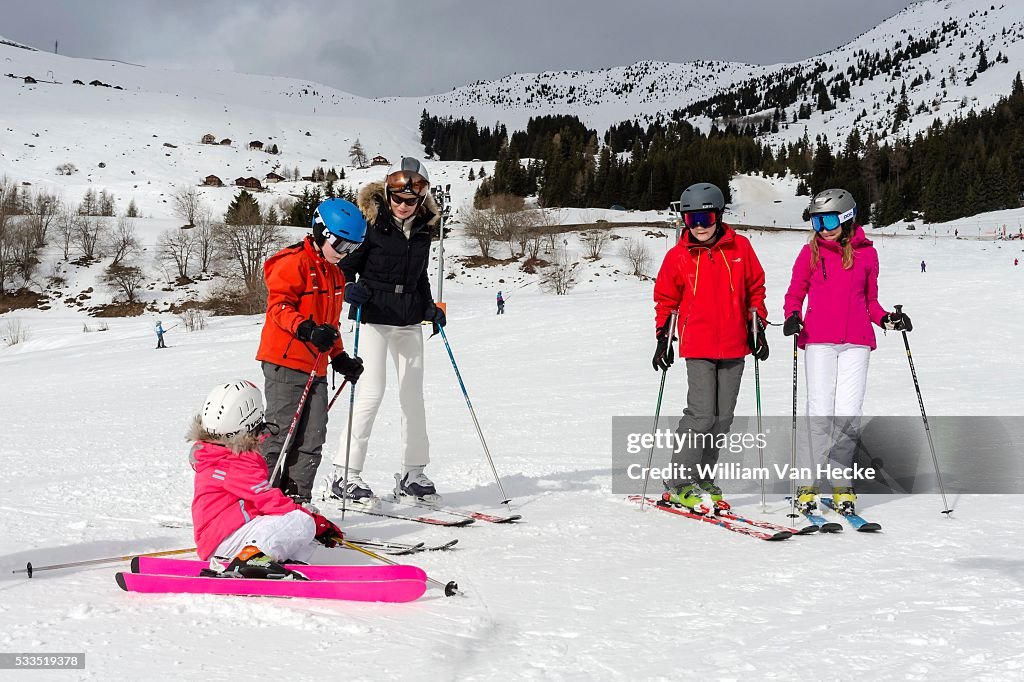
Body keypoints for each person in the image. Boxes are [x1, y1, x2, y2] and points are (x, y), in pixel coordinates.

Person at [782, 188, 911, 516]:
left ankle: (841, 484)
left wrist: (888, 320)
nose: (822, 227)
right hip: (819, 340)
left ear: (846, 217)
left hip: (856, 342)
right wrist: (793, 316)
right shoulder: (809, 253)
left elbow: (870, 302)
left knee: (847, 413)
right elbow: (795, 292)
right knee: (820, 411)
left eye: (828, 219)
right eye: (816, 220)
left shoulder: (867, 254)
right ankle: (806, 483)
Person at [329, 157, 445, 504]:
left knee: (413, 397)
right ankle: (344, 475)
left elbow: (419, 274)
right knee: (371, 392)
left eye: (411, 200)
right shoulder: (372, 225)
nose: (403, 205)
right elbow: (343, 270)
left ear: (421, 198)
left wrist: (430, 307)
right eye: (397, 198)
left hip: (408, 320)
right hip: (375, 317)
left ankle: (413, 473)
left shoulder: (424, 230)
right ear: (387, 194)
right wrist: (349, 289)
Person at [652, 182, 768, 512]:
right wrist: (664, 337)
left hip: (735, 345)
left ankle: (703, 478)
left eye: (705, 217)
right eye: (691, 220)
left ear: (718, 215)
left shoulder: (740, 248)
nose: (699, 226)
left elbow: (755, 289)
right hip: (698, 346)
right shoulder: (678, 256)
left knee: (722, 419)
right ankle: (679, 483)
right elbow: (666, 299)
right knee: (702, 415)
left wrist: (759, 326)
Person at [255, 199, 367, 505]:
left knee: (312, 436)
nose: (346, 254)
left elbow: (330, 324)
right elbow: (278, 308)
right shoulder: (293, 263)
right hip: (285, 361)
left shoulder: (335, 274)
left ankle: (296, 501)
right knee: (280, 434)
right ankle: (259, 501)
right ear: (321, 231)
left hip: (316, 365)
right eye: (342, 245)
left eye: (352, 249)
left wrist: (339, 357)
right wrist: (306, 329)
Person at [189, 380, 344, 579]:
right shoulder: (233, 461)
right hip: (224, 540)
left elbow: (261, 503)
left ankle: (280, 562)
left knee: (302, 524)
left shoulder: (217, 453)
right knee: (302, 521)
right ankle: (251, 559)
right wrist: (313, 521)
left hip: (223, 537)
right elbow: (269, 500)